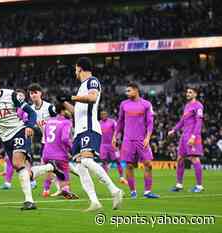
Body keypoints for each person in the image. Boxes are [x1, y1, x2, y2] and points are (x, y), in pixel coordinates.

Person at [0, 73, 65, 210]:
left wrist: (29, 126)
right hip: (5, 139)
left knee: (17, 163)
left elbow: (31, 113)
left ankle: (29, 201)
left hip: (19, 132)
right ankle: (50, 167)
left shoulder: (11, 95)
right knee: (25, 172)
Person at [58, 57, 123, 212]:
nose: (75, 72)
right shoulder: (81, 87)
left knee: (86, 162)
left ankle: (115, 190)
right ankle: (94, 201)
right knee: (79, 167)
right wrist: (64, 102)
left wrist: (72, 97)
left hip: (89, 128)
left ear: (79, 68)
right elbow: (77, 112)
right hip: (79, 131)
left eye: (75, 69)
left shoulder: (92, 81)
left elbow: (93, 98)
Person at [113, 82, 160, 199]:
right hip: (128, 140)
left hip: (141, 139)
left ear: (136, 90)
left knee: (148, 164)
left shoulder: (146, 104)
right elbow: (120, 122)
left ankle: (147, 192)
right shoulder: (124, 104)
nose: (126, 93)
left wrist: (148, 137)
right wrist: (115, 135)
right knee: (129, 165)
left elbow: (150, 123)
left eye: (129, 91)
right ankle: (133, 192)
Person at [168, 87, 204, 193]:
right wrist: (174, 130)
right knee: (180, 159)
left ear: (195, 94)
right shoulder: (187, 106)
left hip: (193, 136)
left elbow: (199, 122)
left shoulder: (198, 105)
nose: (187, 94)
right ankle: (179, 185)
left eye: (190, 92)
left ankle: (199, 186)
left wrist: (194, 136)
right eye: (187, 92)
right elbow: (182, 121)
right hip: (184, 136)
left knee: (194, 159)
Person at [99, 110, 127, 184]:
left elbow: (118, 131)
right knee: (104, 161)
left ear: (107, 115)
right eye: (101, 114)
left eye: (104, 114)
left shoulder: (112, 122)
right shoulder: (99, 123)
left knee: (118, 161)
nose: (103, 115)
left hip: (112, 145)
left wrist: (117, 140)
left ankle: (121, 177)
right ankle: (105, 178)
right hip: (103, 145)